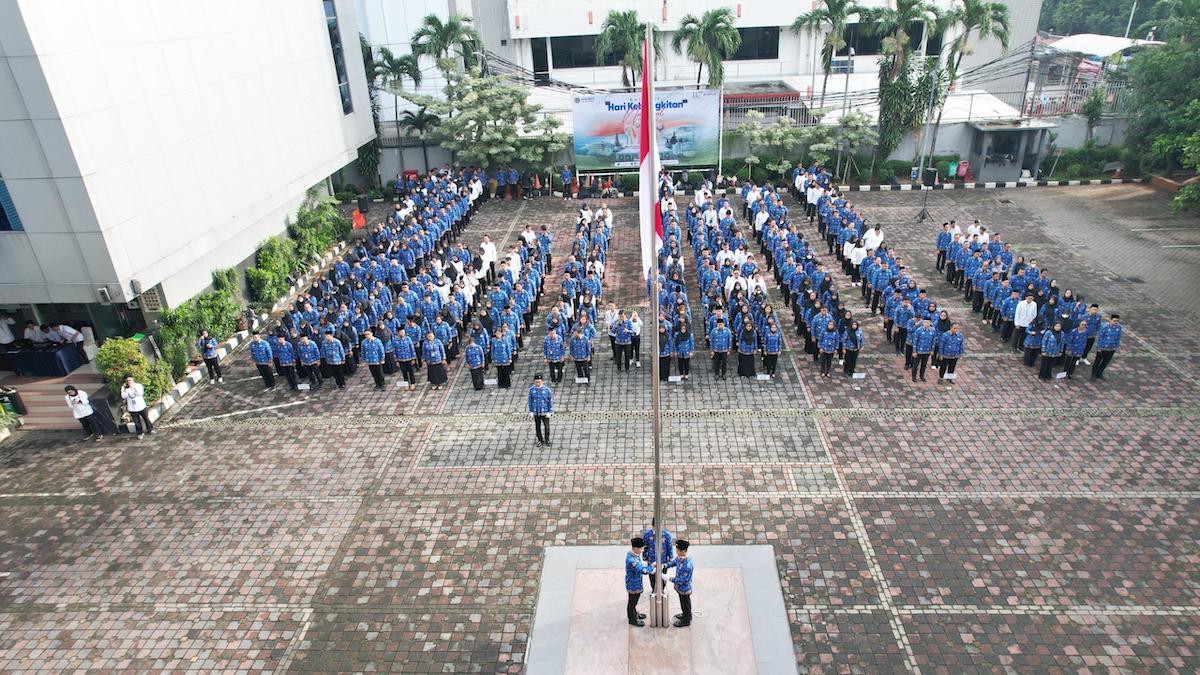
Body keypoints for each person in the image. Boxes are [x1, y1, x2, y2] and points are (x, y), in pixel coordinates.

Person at [663, 539, 694, 628]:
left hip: (684, 588)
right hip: (680, 588)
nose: (676, 552)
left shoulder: (687, 565)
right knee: (683, 603)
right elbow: (674, 562)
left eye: (678, 551)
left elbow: (682, 580)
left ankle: (686, 620)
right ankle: (686, 614)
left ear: (683, 551)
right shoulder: (680, 557)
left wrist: (669, 578)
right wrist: (665, 565)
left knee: (685, 603)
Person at [625, 537, 654, 627]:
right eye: (641, 548)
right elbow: (642, 570)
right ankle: (632, 619)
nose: (642, 550)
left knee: (634, 602)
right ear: (636, 548)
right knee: (632, 602)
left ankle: (635, 614)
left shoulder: (634, 555)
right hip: (633, 585)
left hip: (636, 582)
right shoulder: (632, 560)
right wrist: (651, 566)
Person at [119, 374, 153, 438]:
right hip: (132, 408)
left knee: (146, 418)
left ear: (133, 379)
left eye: (130, 380)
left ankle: (150, 429)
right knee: (136, 421)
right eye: (127, 381)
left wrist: (133, 387)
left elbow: (140, 393)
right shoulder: (125, 388)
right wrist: (124, 388)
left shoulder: (138, 385)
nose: (129, 382)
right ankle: (140, 432)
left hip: (141, 406)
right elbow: (123, 396)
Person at [1091, 314, 1122, 380]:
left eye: (1117, 321)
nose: (1115, 322)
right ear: (1110, 320)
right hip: (1103, 348)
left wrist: (1117, 346)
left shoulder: (1119, 327)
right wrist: (1099, 347)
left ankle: (1099, 373)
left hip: (1112, 348)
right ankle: (1093, 374)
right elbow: (1100, 337)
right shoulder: (1104, 327)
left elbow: (1118, 337)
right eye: (1114, 320)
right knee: (1098, 361)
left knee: (1105, 362)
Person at [528, 373, 553, 446]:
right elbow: (530, 401)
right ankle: (539, 439)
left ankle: (547, 439)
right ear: (534, 382)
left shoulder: (547, 390)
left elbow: (550, 401)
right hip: (536, 412)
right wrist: (531, 411)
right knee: (537, 427)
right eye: (536, 382)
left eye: (539, 382)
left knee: (547, 427)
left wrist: (550, 411)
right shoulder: (531, 390)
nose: (538, 383)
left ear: (542, 381)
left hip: (544, 412)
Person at [910, 318, 936, 383]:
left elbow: (933, 341)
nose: (926, 324)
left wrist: (932, 350)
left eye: (928, 322)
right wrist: (914, 351)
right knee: (915, 364)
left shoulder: (933, 330)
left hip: (927, 351)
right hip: (918, 351)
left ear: (930, 323)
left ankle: (922, 376)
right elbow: (915, 341)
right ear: (923, 323)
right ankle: (913, 376)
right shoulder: (918, 330)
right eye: (925, 322)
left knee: (924, 365)